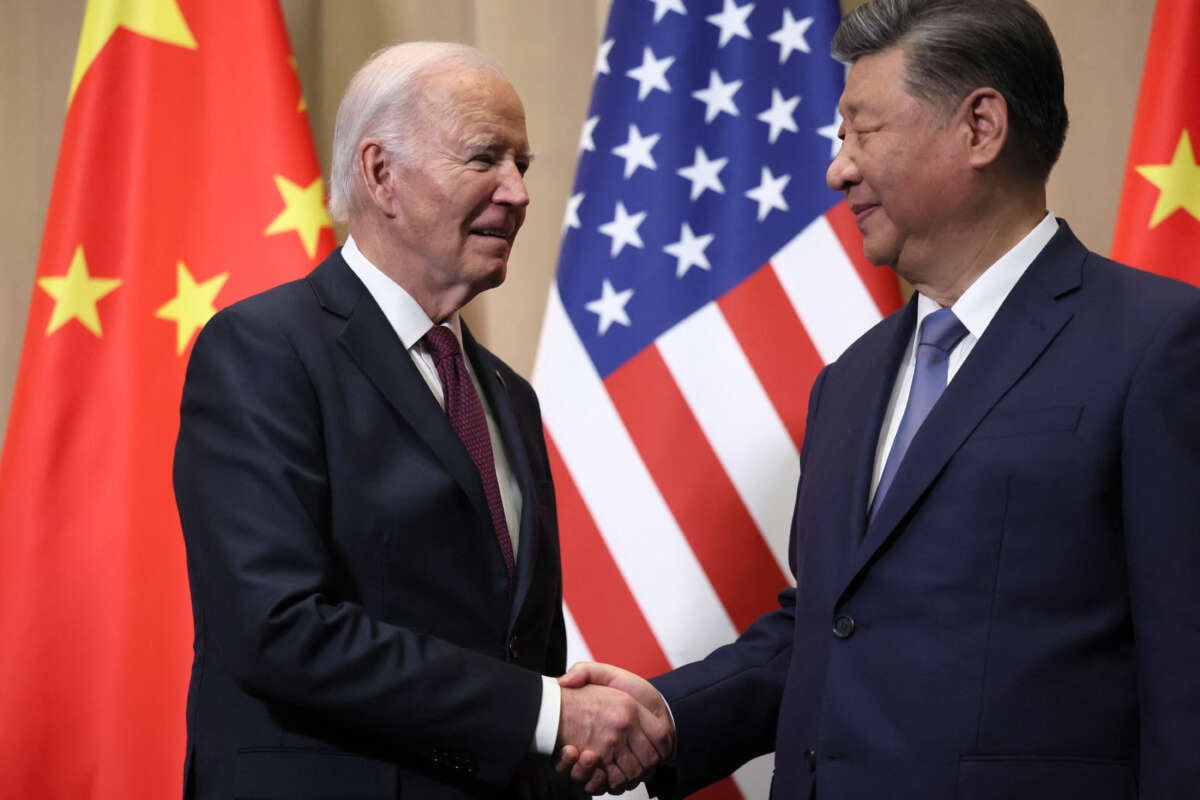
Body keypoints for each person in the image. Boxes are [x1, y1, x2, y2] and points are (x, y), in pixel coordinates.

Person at [557, 0, 1200, 797]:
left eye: (863, 132)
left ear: (981, 127)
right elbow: (832, 623)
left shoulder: (1157, 344)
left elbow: (1188, 676)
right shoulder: (850, 380)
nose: (838, 169)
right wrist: (667, 715)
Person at [173, 41, 671, 800]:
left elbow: (516, 641)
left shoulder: (507, 394)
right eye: (485, 159)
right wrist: (548, 714)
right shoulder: (264, 349)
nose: (518, 193)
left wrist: (562, 741)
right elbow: (276, 629)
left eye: (523, 165)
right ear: (380, 175)